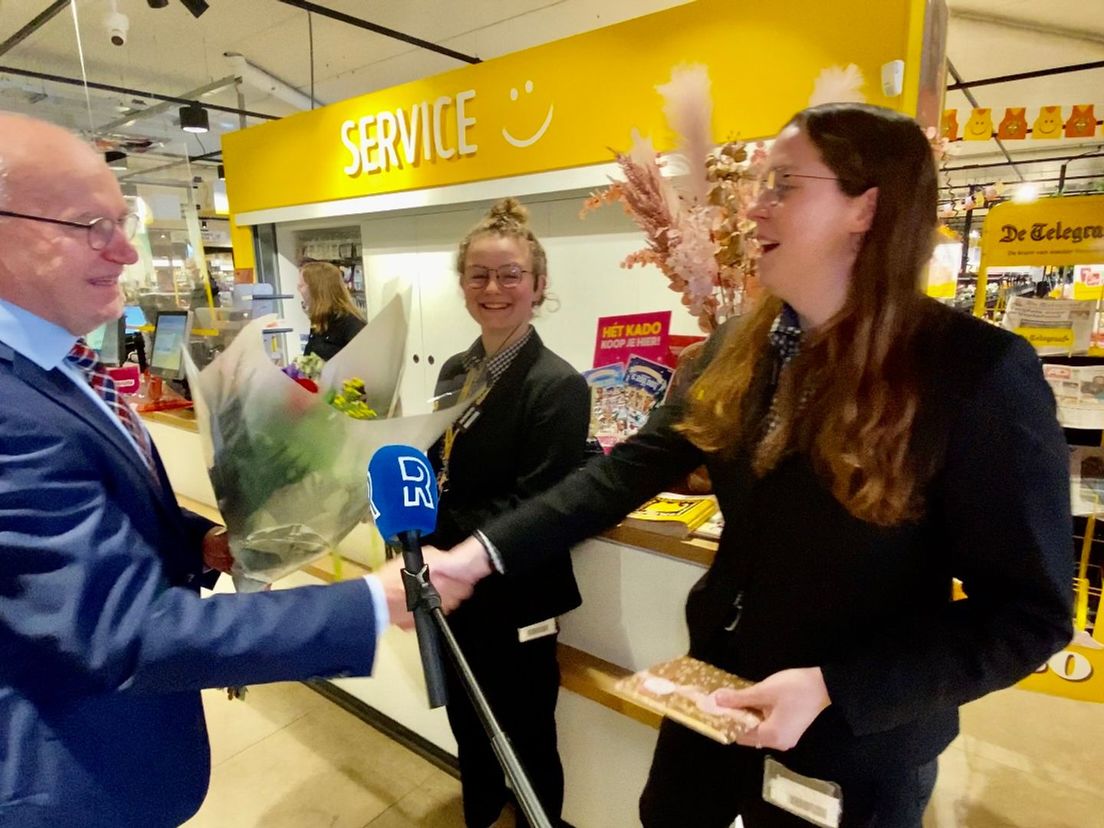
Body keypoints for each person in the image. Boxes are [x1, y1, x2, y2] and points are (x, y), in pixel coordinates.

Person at [426, 104, 1073, 827]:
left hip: (854, 729)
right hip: (712, 690)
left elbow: (1028, 615)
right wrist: (477, 556)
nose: (753, 208)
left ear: (866, 208)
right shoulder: (741, 344)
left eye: (785, 185)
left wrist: (833, 687)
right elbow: (619, 475)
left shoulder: (973, 374)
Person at [0, 112, 469, 827]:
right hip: (68, 782)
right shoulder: (9, 406)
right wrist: (372, 604)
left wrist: (197, 542)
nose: (126, 251)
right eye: (89, 225)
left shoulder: (57, 368)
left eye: (120, 220)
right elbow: (124, 633)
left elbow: (84, 522)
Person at [426, 198, 589, 827]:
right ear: (463, 282)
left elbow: (537, 503)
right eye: (479, 275)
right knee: (470, 731)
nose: (493, 288)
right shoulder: (454, 370)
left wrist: (442, 539)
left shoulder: (557, 385)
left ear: (538, 284)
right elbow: (440, 464)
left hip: (516, 597)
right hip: (452, 592)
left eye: (510, 274)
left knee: (525, 739)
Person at [298, 260, 366, 361]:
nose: (298, 289)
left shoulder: (350, 323)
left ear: (316, 289)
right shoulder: (321, 322)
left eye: (301, 286)